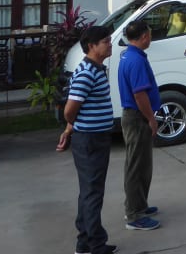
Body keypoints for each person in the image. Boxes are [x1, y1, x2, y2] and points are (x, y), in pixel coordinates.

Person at [57, 25, 117, 254]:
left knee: (89, 191)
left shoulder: (96, 68)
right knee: (93, 192)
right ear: (92, 46)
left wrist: (70, 129)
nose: (110, 44)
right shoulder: (86, 73)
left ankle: (84, 243)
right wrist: (73, 126)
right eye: (106, 41)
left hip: (93, 137)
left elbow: (77, 111)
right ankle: (95, 244)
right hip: (91, 140)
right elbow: (70, 110)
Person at [117, 19, 161, 231]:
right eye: (149, 34)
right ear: (144, 36)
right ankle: (134, 215)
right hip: (137, 118)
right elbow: (139, 93)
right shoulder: (135, 60)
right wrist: (151, 118)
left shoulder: (129, 55)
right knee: (136, 166)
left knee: (142, 165)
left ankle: (140, 205)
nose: (150, 37)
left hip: (135, 116)